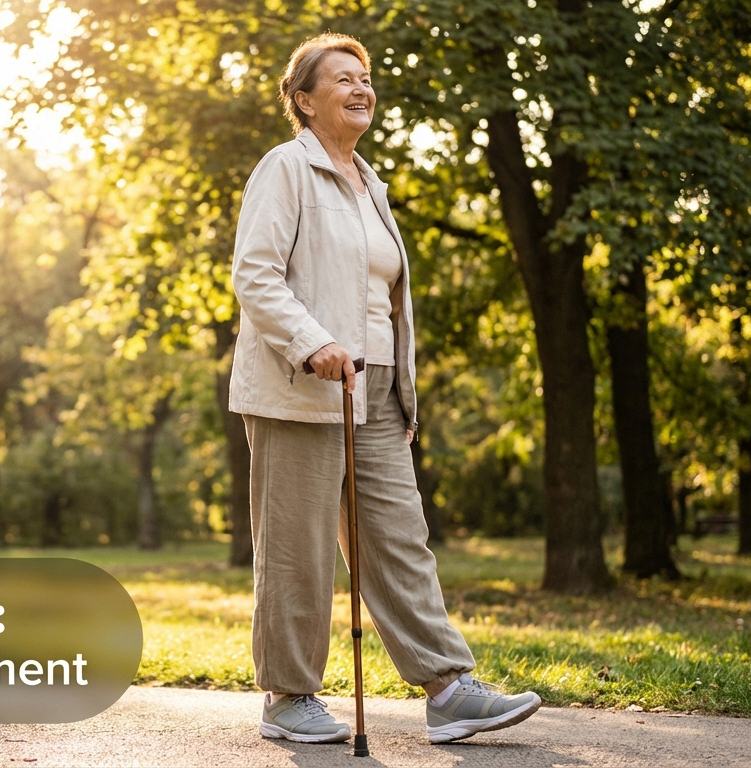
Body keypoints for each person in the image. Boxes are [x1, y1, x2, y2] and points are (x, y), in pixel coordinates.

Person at [229, 32, 542, 745]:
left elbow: (386, 304)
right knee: (298, 549)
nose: (361, 87)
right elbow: (256, 274)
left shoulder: (373, 186)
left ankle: (448, 689)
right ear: (304, 100)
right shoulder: (286, 169)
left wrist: (402, 393)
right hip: (301, 386)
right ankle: (288, 696)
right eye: (342, 78)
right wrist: (313, 344)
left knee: (401, 540)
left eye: (365, 76)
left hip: (373, 390)